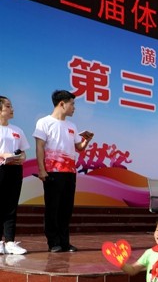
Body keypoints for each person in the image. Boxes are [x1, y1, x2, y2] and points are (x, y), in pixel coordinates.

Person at [33, 90, 93, 253]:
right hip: (52, 172)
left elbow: (78, 148)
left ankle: (65, 242)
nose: (74, 108)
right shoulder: (44, 122)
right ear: (62, 104)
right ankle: (54, 242)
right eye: (72, 104)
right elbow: (39, 147)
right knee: (53, 208)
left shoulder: (72, 126)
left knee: (66, 208)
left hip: (70, 172)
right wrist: (41, 170)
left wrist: (86, 140)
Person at [0, 96, 30, 255]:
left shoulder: (17, 130)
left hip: (14, 170)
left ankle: (10, 242)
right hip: (0, 169)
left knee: (11, 206)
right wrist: (2, 154)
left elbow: (24, 151)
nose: (12, 109)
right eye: (8, 106)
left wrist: (22, 157)